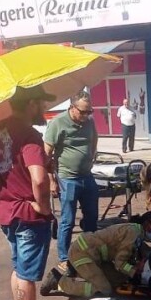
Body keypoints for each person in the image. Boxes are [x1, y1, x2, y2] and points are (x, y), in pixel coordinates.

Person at [0, 86, 64, 300]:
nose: (44, 108)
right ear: (31, 103)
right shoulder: (29, 135)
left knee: (19, 268)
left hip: (5, 210)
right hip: (27, 213)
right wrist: (43, 207)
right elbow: (39, 179)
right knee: (27, 274)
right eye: (42, 102)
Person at [40, 212, 151, 298]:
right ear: (147, 225)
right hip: (83, 253)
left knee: (118, 279)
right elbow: (120, 263)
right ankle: (58, 282)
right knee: (104, 289)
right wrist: (135, 272)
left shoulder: (136, 233)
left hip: (94, 255)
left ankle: (76, 271)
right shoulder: (133, 233)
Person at [44, 91, 99, 273]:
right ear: (72, 108)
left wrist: (91, 156)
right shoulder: (58, 123)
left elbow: (94, 139)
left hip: (87, 176)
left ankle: (89, 252)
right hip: (68, 179)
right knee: (67, 220)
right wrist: (51, 180)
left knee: (92, 217)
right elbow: (46, 154)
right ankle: (64, 258)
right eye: (83, 112)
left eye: (89, 111)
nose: (86, 115)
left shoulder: (89, 121)